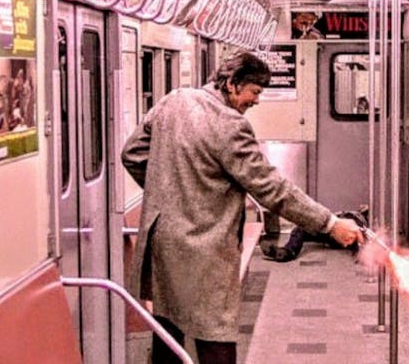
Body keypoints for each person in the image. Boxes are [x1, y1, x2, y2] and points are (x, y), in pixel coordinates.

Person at [121, 51, 364, 364]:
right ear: (233, 84)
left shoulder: (174, 100)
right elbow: (273, 189)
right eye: (256, 91)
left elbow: (133, 154)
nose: (257, 100)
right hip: (203, 247)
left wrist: (174, 195)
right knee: (215, 334)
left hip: (162, 242)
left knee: (168, 330)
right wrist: (329, 224)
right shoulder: (230, 126)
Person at [261, 207, 368, 263]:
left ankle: (289, 251)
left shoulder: (357, 218)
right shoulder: (355, 217)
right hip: (335, 232)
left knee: (300, 230)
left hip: (337, 233)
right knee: (301, 229)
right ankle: (287, 251)